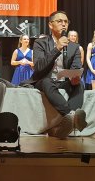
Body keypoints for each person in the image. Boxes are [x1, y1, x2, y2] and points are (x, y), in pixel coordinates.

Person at [29, 10, 87, 138]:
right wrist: (57, 48)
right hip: (45, 80)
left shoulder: (74, 47)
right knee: (47, 81)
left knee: (79, 85)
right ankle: (71, 115)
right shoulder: (40, 43)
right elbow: (39, 67)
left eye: (66, 21)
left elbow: (76, 67)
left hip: (63, 81)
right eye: (60, 21)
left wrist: (75, 76)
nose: (64, 24)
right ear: (51, 25)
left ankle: (68, 123)